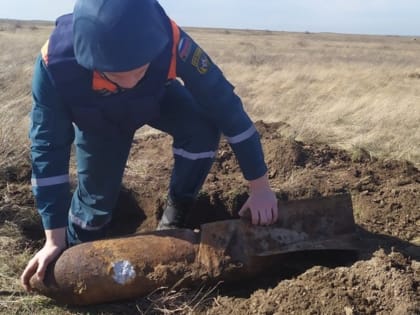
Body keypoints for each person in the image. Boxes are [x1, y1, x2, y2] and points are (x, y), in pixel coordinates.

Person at [21, 0, 278, 291]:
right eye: (117, 74)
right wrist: (53, 238)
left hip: (155, 99)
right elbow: (47, 149)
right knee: (95, 211)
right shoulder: (54, 66)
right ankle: (78, 243)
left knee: (202, 128)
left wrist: (260, 188)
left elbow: (225, 105)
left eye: (139, 68)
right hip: (101, 122)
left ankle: (174, 217)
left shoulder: (168, 39)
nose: (130, 81)